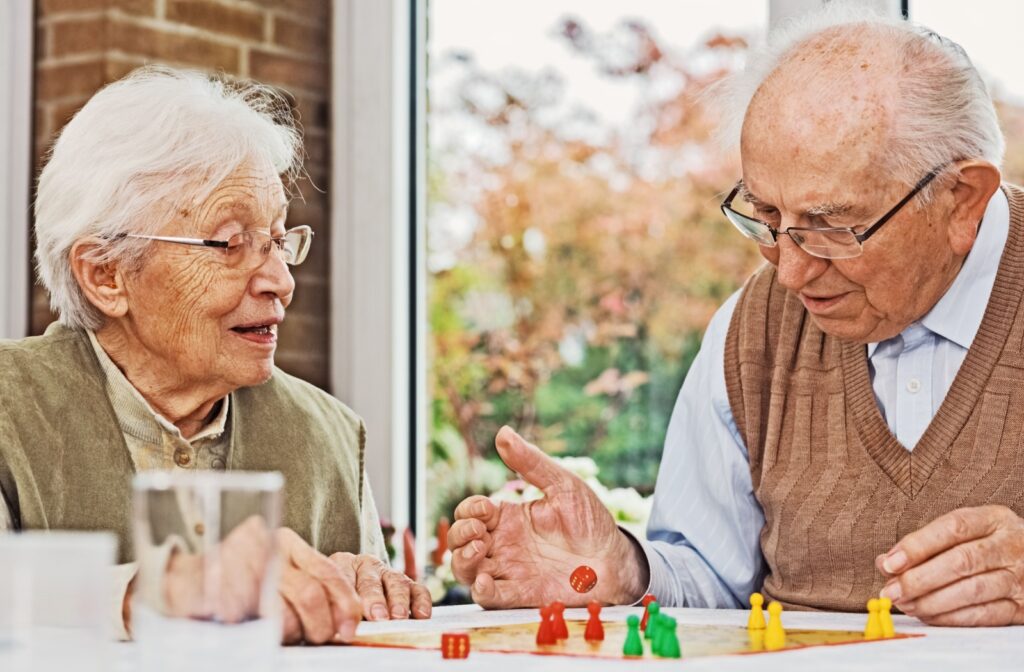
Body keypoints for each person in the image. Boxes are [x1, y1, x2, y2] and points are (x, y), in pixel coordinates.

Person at [448, 5, 1024, 627]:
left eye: (831, 227)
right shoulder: (756, 326)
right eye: (767, 218)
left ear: (963, 199)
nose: (791, 272)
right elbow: (711, 574)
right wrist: (623, 571)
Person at [0, 66, 431, 643]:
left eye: (278, 240)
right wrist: (149, 593)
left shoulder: (327, 433)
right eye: (230, 243)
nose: (280, 280)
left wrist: (368, 593)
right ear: (106, 275)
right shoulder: (9, 405)